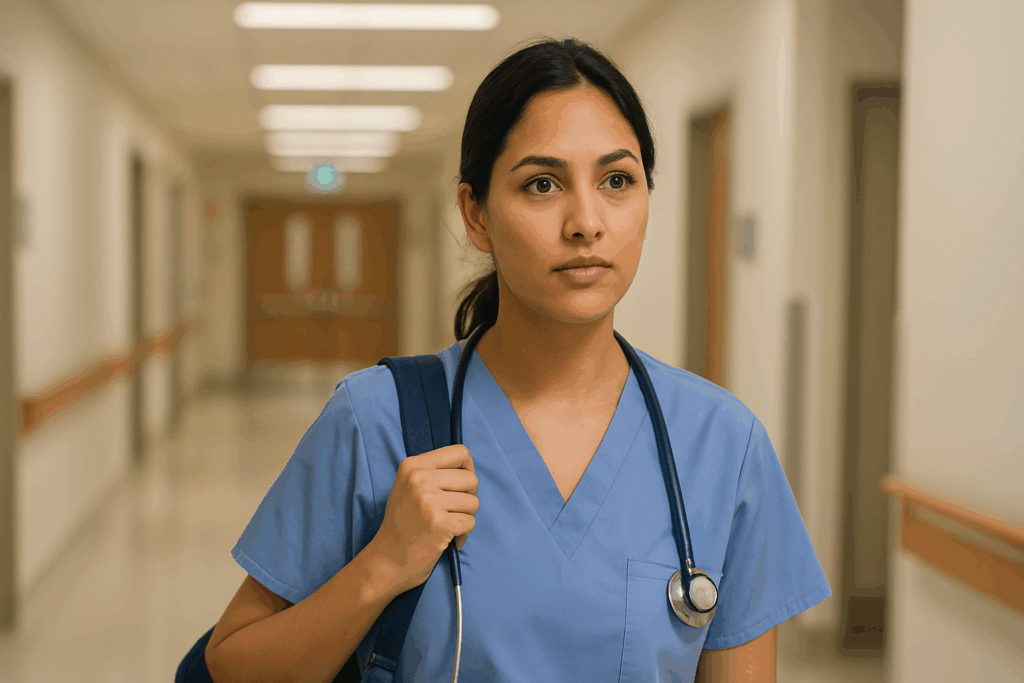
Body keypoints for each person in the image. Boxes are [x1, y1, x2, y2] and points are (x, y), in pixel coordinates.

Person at [204, 38, 830, 683]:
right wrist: (383, 566)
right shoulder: (376, 421)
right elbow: (234, 666)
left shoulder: (722, 444)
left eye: (617, 180)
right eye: (542, 184)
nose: (586, 222)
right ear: (476, 215)